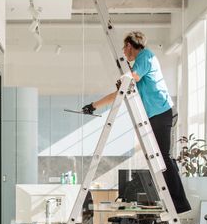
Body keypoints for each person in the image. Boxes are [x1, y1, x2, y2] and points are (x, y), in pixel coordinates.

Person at [82, 31, 191, 213]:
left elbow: (134, 77)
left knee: (162, 157)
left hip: (162, 111)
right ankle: (172, 201)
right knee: (160, 158)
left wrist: (125, 79)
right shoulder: (137, 67)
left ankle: (179, 204)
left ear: (130, 46)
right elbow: (120, 92)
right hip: (155, 115)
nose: (124, 53)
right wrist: (93, 106)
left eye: (124, 48)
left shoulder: (146, 57)